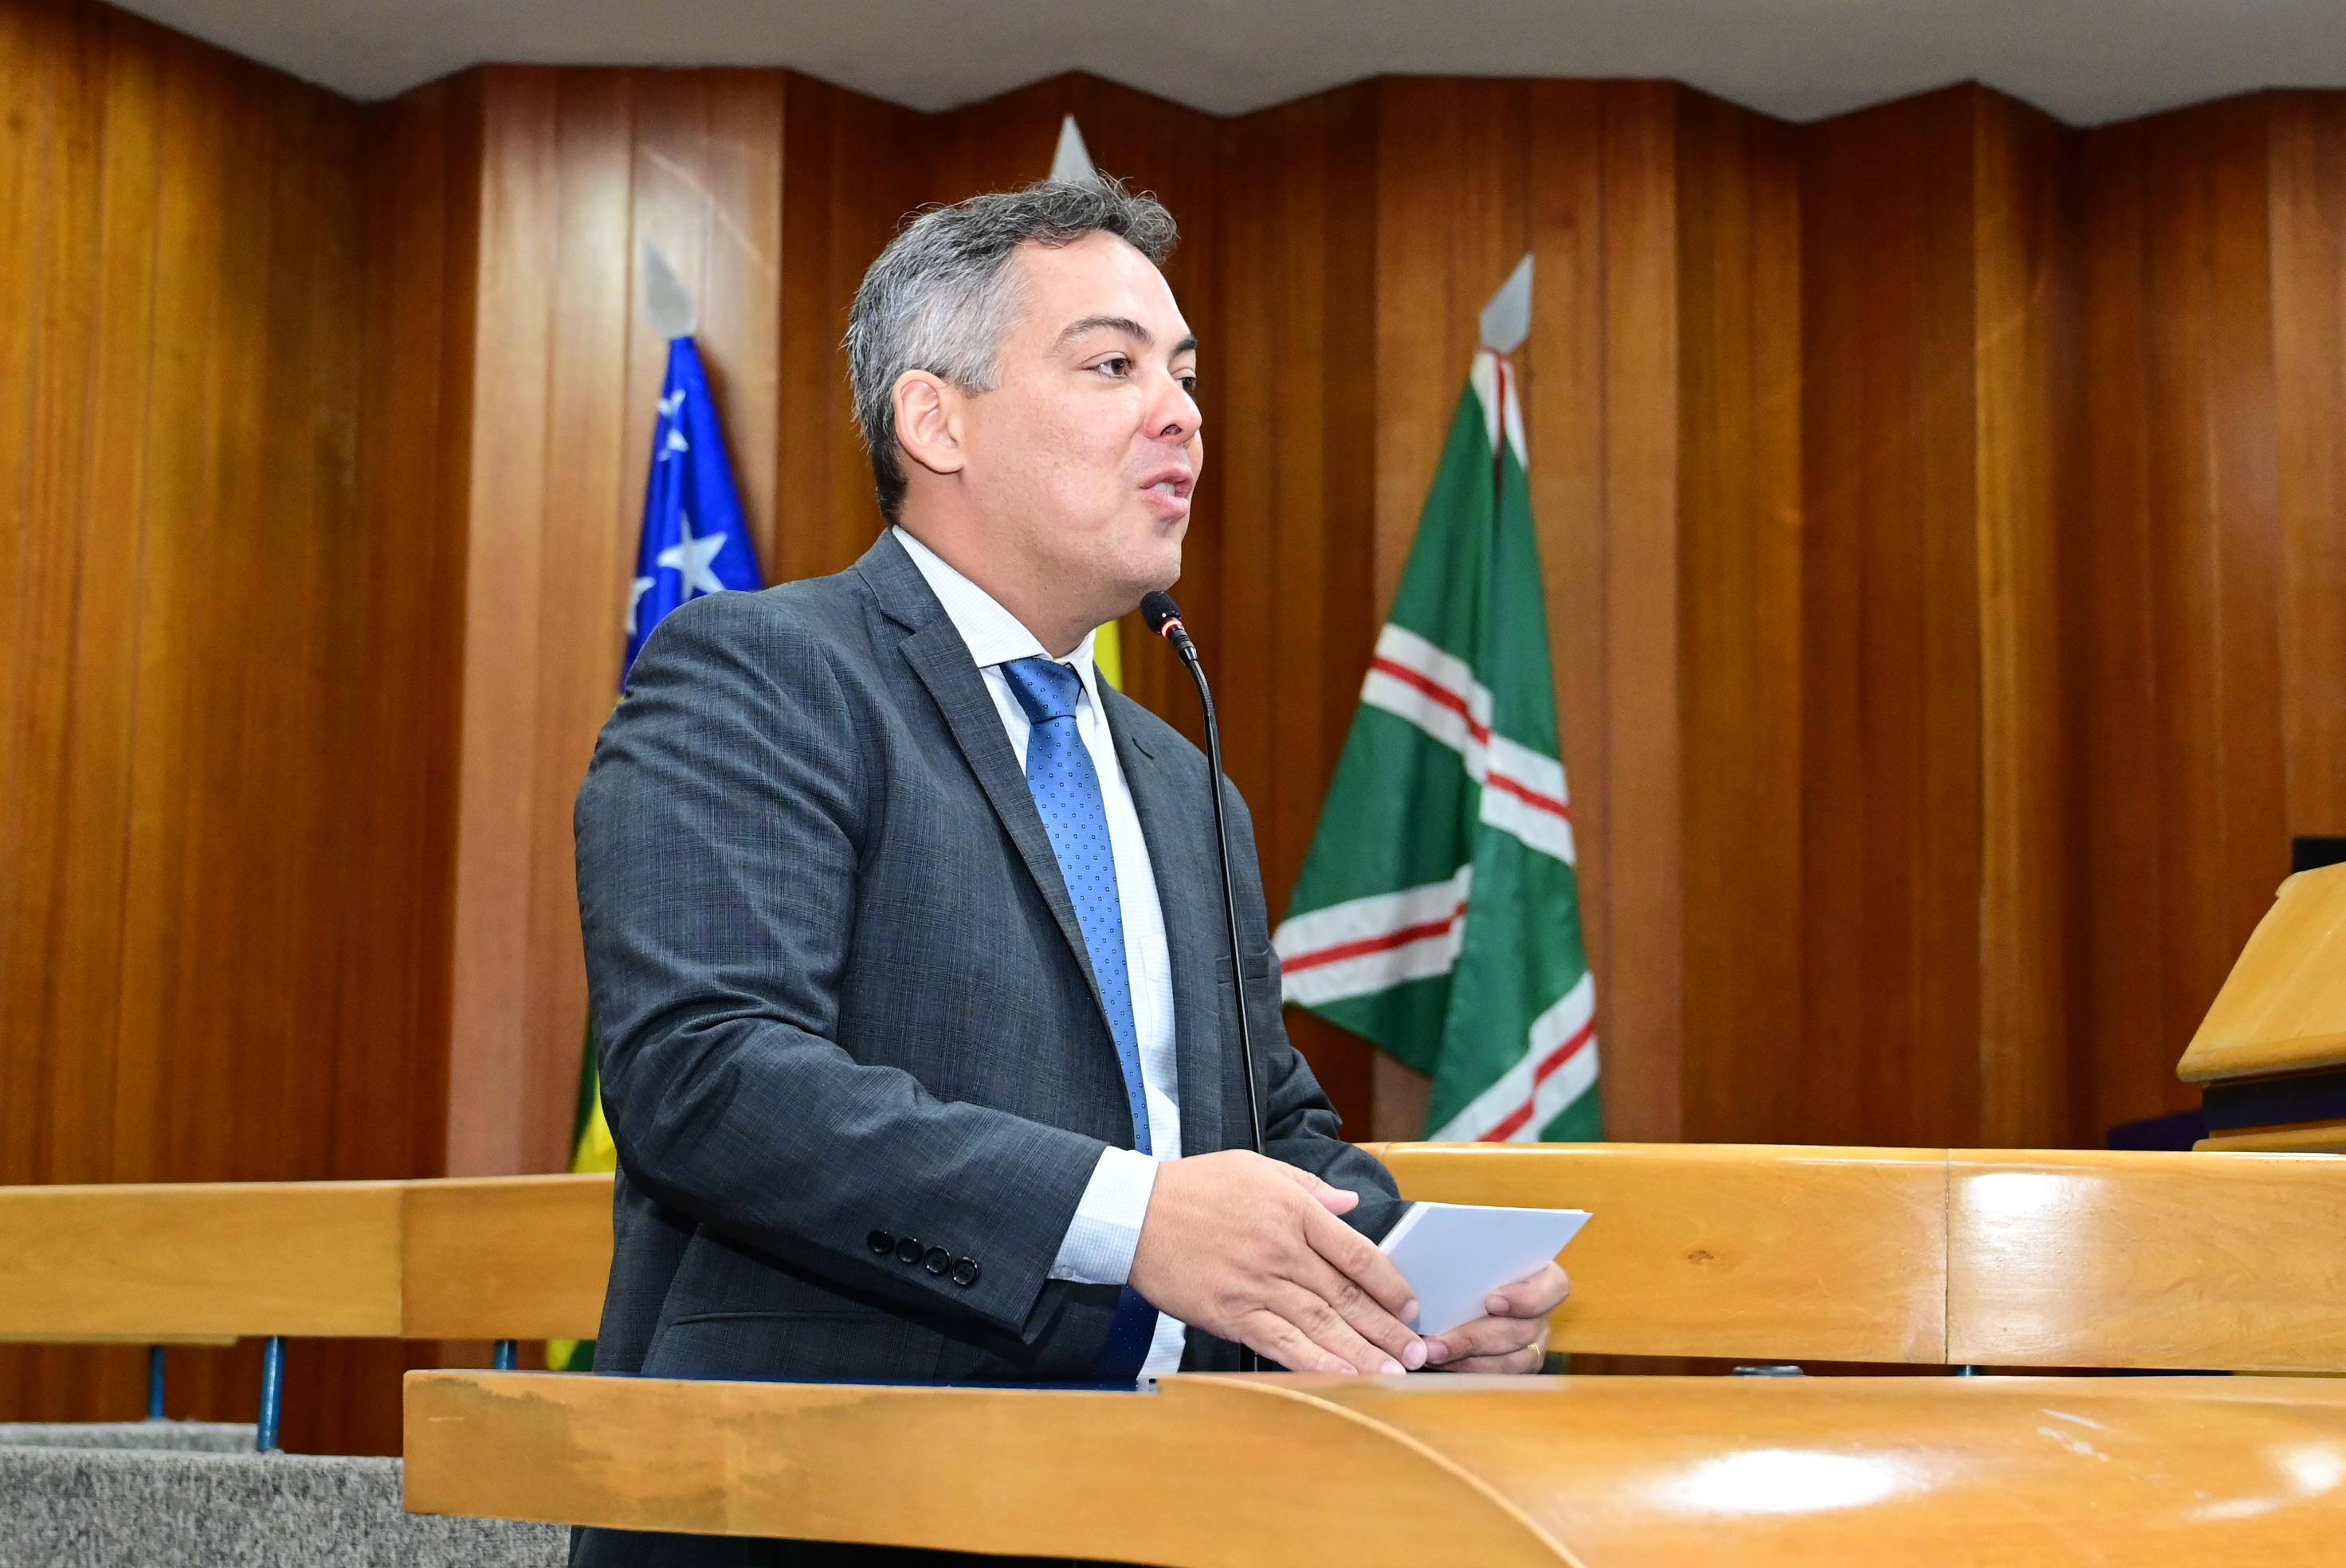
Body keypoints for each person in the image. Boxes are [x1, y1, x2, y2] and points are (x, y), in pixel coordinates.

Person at [571, 178, 1571, 1567]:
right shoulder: (764, 673)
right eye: (1114, 366)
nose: (1183, 415)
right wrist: (1133, 1217)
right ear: (937, 422)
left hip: (1175, 1504)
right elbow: (708, 1077)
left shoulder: (1181, 780)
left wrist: (1415, 1293)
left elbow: (1266, 1126)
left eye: (1186, 376)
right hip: (831, 1500)